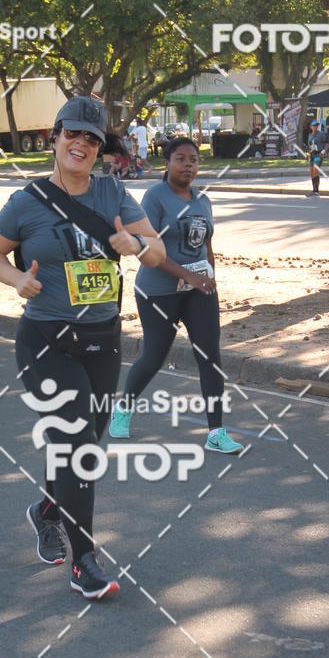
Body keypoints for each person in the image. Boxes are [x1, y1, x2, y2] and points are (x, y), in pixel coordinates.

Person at [0, 96, 165, 600]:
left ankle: (45, 509)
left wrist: (138, 247)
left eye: (91, 138)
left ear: (101, 148)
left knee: (84, 443)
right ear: (54, 138)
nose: (80, 144)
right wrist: (17, 279)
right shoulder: (27, 202)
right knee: (78, 440)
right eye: (72, 135)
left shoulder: (114, 193)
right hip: (45, 339)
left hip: (103, 340)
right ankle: (84, 561)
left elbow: (158, 250)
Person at [109, 137, 244, 455]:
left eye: (194, 159)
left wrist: (210, 278)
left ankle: (216, 432)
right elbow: (146, 249)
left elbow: (206, 245)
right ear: (166, 163)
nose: (188, 165)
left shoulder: (203, 200)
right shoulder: (155, 198)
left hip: (198, 290)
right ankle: (123, 408)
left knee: (210, 356)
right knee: (155, 356)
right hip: (158, 291)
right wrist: (189, 276)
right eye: (181, 159)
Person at [307, 120, 326, 196]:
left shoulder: (321, 134)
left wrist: (323, 152)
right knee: (311, 172)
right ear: (311, 127)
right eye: (314, 125)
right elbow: (309, 146)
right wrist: (308, 154)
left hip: (318, 154)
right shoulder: (310, 135)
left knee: (315, 170)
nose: (315, 127)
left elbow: (327, 144)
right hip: (312, 154)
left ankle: (316, 191)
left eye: (316, 125)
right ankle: (314, 189)